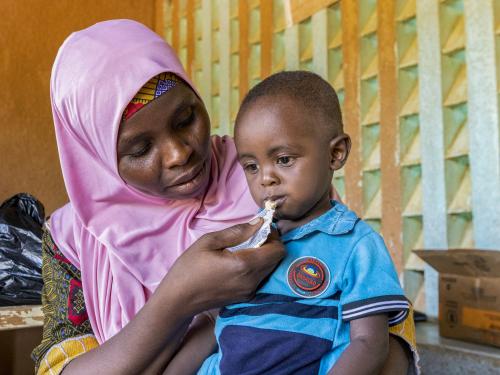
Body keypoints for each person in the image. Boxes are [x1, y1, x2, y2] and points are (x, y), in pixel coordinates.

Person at [32, 20, 416, 374]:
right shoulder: (73, 241)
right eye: (140, 149)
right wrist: (178, 300)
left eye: (185, 120)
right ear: (96, 157)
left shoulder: (270, 174)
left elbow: (379, 333)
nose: (179, 153)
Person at [165, 71, 419, 375]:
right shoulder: (245, 245)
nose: (266, 178)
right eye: (251, 166)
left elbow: (369, 344)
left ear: (335, 154)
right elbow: (214, 327)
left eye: (284, 159)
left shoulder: (356, 244)